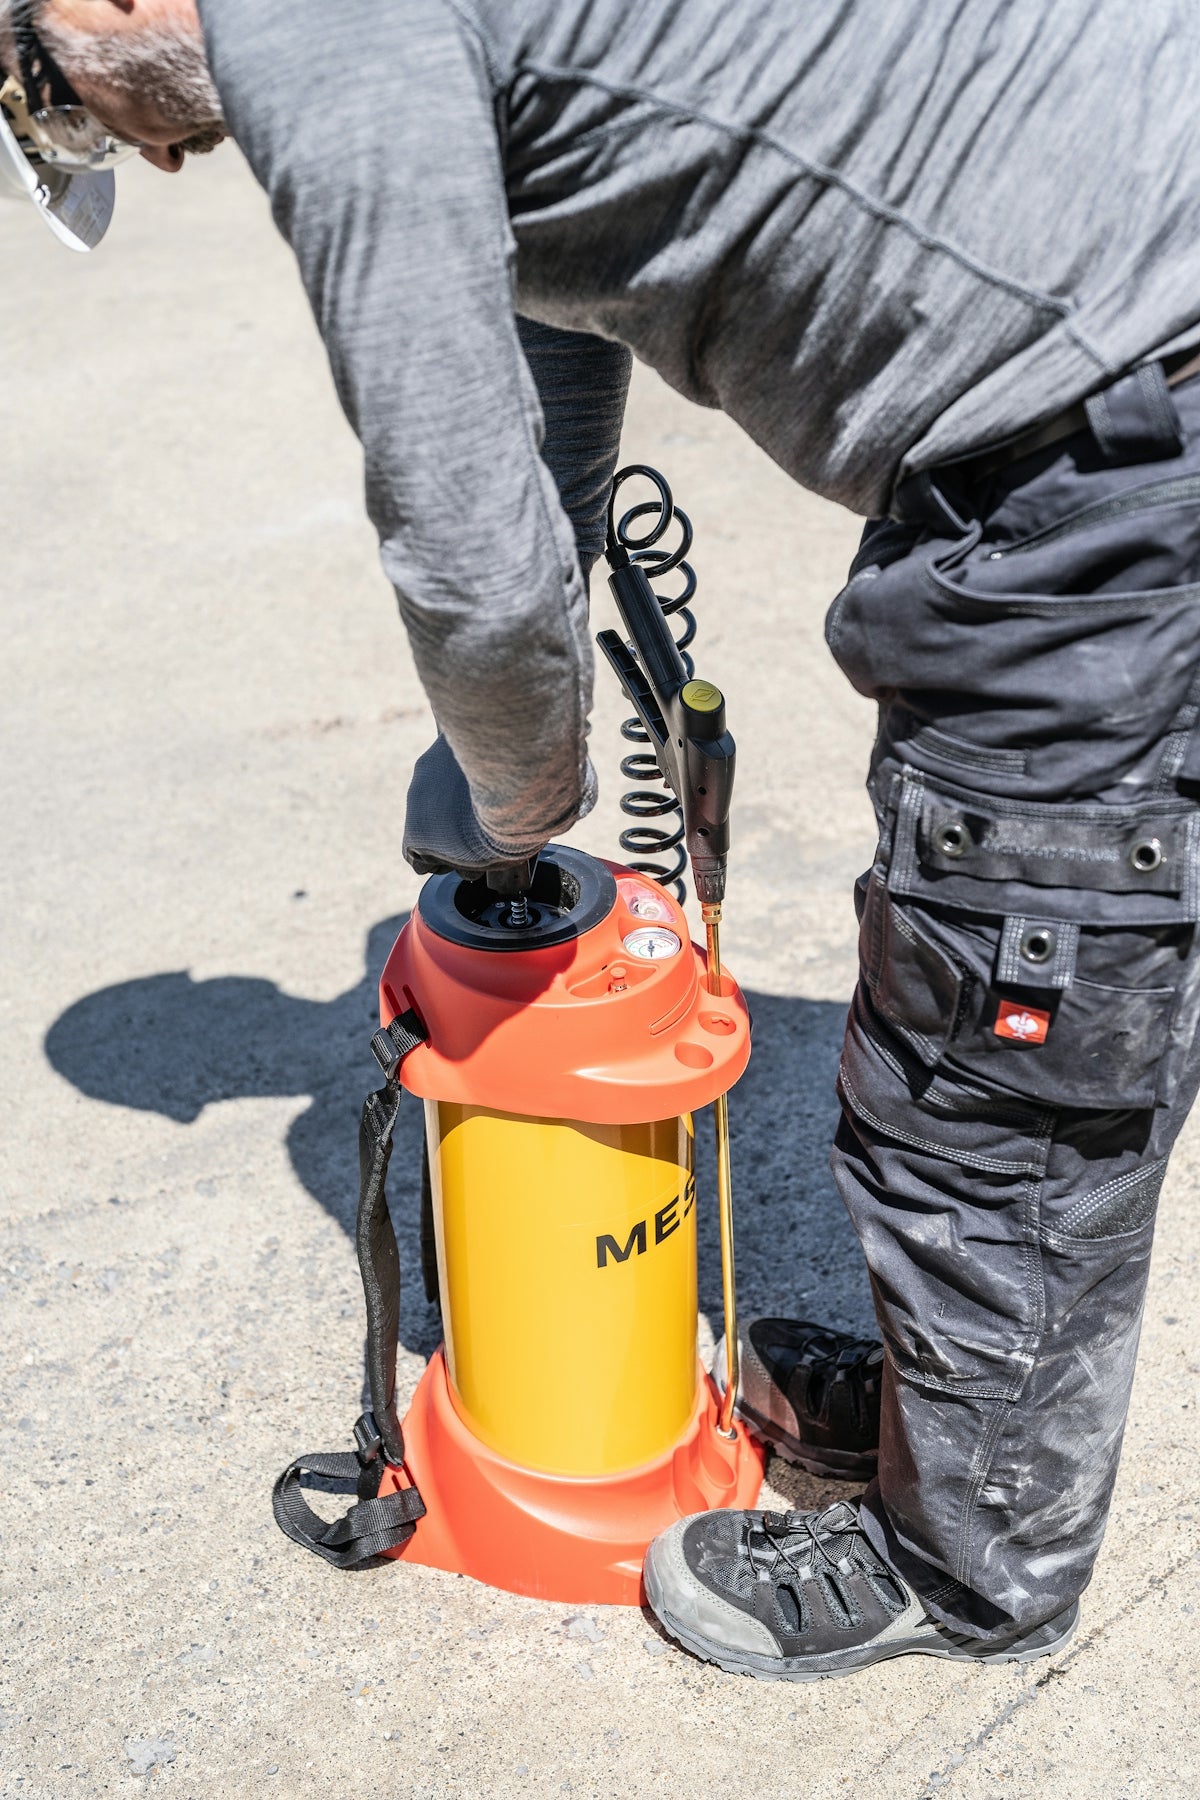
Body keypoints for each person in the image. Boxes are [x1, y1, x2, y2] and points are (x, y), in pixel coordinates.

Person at [4, 0, 1199, 1682]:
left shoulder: (322, 41)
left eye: (63, 113)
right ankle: (965, 1411)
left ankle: (970, 1560)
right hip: (1112, 347)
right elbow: (550, 336)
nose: (159, 152)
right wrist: (517, 718)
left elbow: (464, 547)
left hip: (1127, 411)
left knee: (1009, 1019)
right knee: (975, 988)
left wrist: (516, 786)